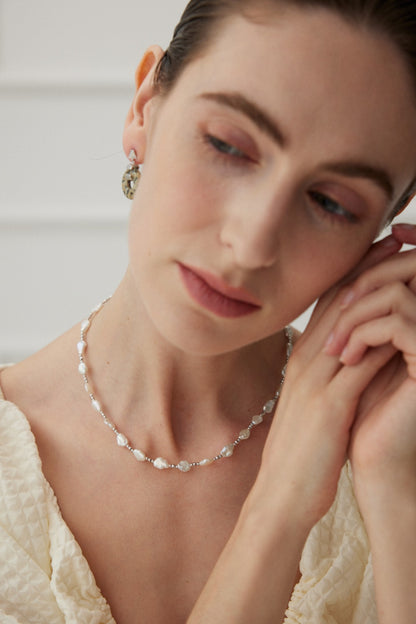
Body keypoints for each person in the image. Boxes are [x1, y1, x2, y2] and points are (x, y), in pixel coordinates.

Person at [1, 0, 416, 622]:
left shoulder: (398, 453)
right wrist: (278, 504)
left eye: (331, 203)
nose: (251, 245)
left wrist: (394, 493)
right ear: (145, 109)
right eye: (227, 145)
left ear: (378, 238)